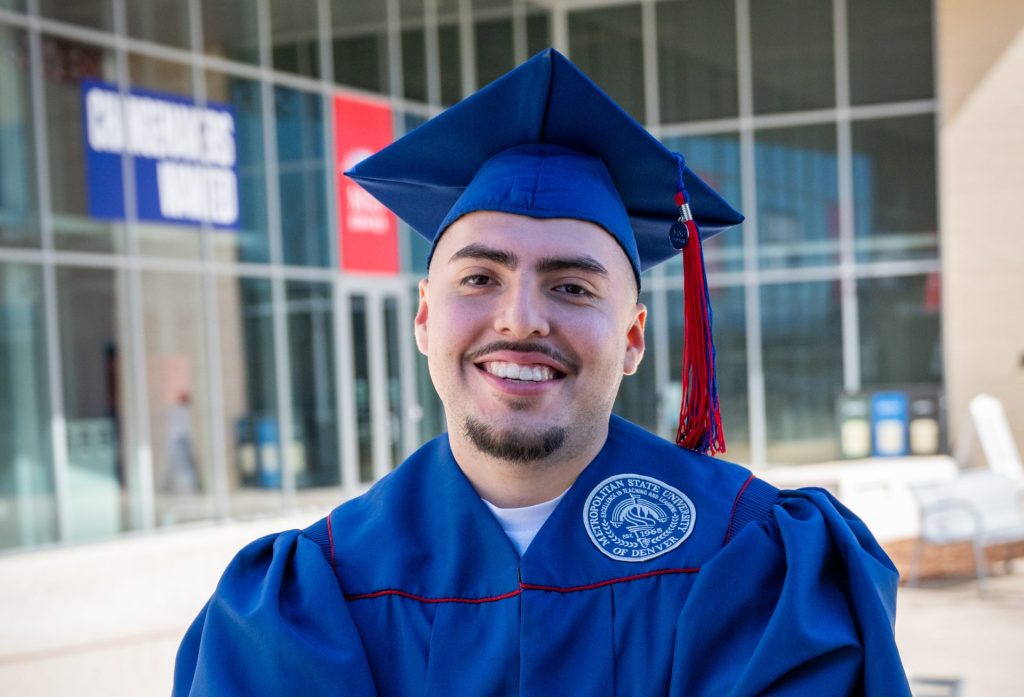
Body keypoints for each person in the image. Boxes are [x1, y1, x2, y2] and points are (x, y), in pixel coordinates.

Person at [173, 49, 911, 696]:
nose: (520, 318)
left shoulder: (752, 562)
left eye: (572, 286)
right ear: (424, 318)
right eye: (479, 279)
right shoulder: (312, 595)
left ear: (632, 338)